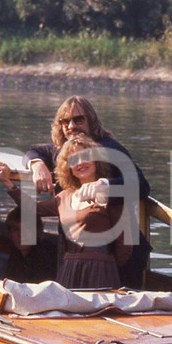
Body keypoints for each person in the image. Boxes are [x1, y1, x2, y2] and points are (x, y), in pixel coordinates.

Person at [23, 96, 150, 287]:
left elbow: (141, 185)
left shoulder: (110, 149)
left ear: (91, 121)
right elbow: (34, 151)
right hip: (77, 250)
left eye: (78, 119)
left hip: (122, 250)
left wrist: (104, 185)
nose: (71, 126)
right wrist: (37, 164)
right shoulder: (63, 150)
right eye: (65, 121)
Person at [0, 134, 133, 290]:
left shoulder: (111, 194)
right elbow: (33, 208)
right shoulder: (64, 196)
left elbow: (124, 242)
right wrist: (8, 183)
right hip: (69, 269)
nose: (80, 163)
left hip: (100, 270)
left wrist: (106, 265)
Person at [3, 207, 58, 283]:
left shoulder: (47, 255)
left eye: (26, 228)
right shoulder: (16, 255)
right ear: (10, 234)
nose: (21, 234)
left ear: (38, 231)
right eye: (16, 229)